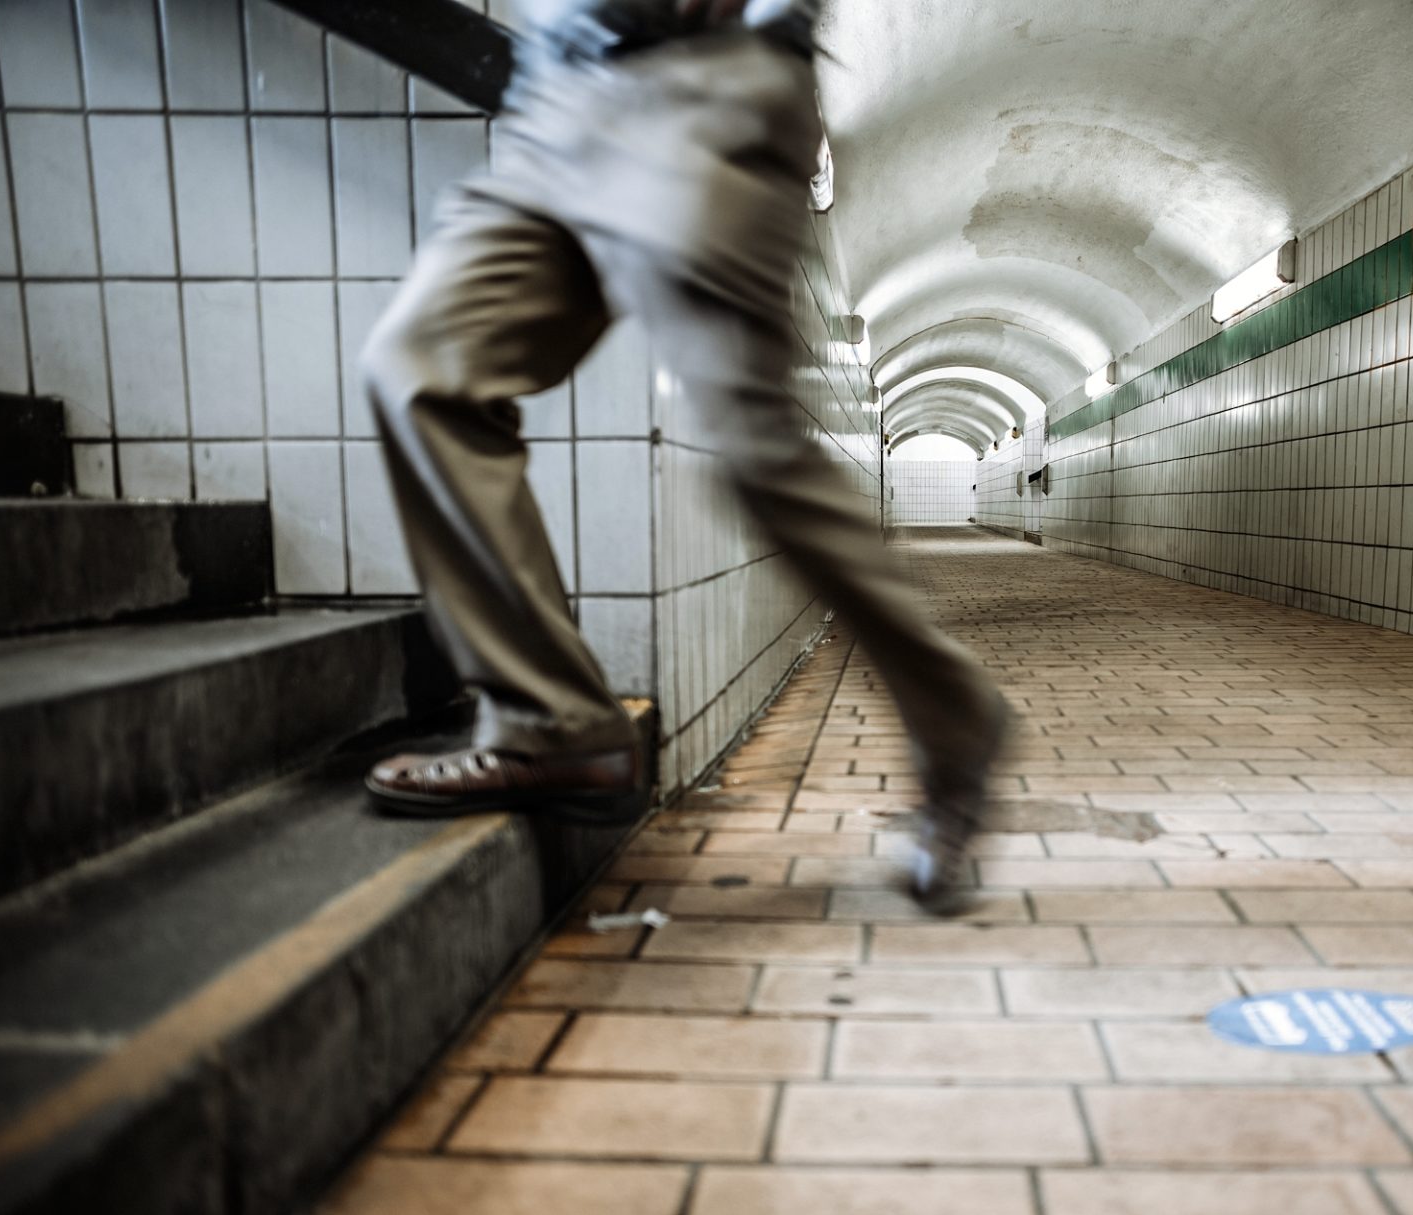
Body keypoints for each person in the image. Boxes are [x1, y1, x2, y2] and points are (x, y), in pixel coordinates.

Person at [356, 0, 1006, 913]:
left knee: (754, 448)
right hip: (564, 95)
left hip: (708, 75)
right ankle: (552, 722)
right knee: (419, 367)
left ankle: (954, 716)